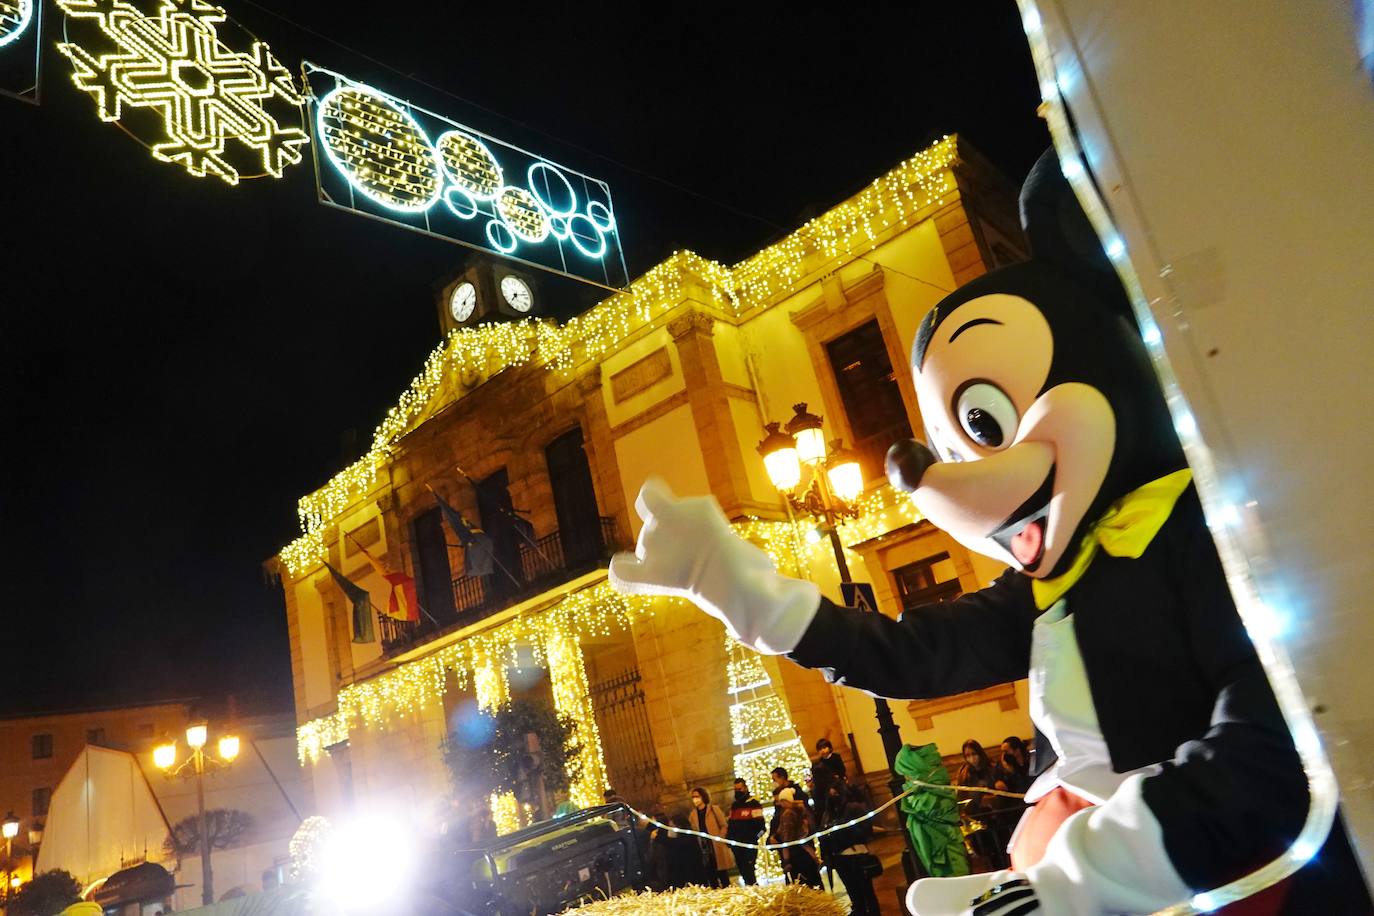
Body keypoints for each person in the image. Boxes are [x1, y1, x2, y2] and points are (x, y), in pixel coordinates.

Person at [819, 782, 881, 916]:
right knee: (853, 891)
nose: (833, 797)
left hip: (856, 856)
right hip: (840, 858)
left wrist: (846, 832)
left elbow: (866, 830)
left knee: (866, 891)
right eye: (830, 795)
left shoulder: (853, 808)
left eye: (835, 794)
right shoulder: (828, 814)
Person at [769, 768, 822, 888]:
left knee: (803, 883)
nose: (773, 782)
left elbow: (787, 834)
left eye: (774, 779)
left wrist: (779, 840)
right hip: (801, 850)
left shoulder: (789, 812)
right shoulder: (788, 808)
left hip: (796, 853)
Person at [955, 739, 1004, 868]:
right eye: (968, 755)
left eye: (974, 754)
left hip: (997, 817)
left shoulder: (992, 767)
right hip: (976, 819)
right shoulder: (964, 773)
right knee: (985, 852)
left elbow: (1002, 787)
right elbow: (962, 795)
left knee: (1001, 849)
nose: (972, 758)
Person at [688, 787, 734, 887]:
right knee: (710, 874)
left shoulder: (713, 809)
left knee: (722, 874)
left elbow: (724, 825)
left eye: (697, 796)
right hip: (704, 847)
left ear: (703, 797)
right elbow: (694, 830)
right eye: (693, 797)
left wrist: (720, 838)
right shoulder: (693, 814)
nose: (695, 799)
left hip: (716, 845)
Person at [726, 777, 766, 885]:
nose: (738, 792)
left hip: (749, 845)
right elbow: (731, 825)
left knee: (749, 871)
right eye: (736, 790)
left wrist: (754, 839)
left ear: (746, 788)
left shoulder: (754, 804)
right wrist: (729, 839)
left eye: (740, 789)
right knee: (743, 872)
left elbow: (762, 828)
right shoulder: (735, 806)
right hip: (737, 845)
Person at [811, 737, 848, 805]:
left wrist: (838, 776)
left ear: (829, 748)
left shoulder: (835, 757)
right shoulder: (820, 762)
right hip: (827, 783)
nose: (822, 750)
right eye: (820, 749)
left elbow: (842, 769)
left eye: (824, 748)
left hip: (838, 780)